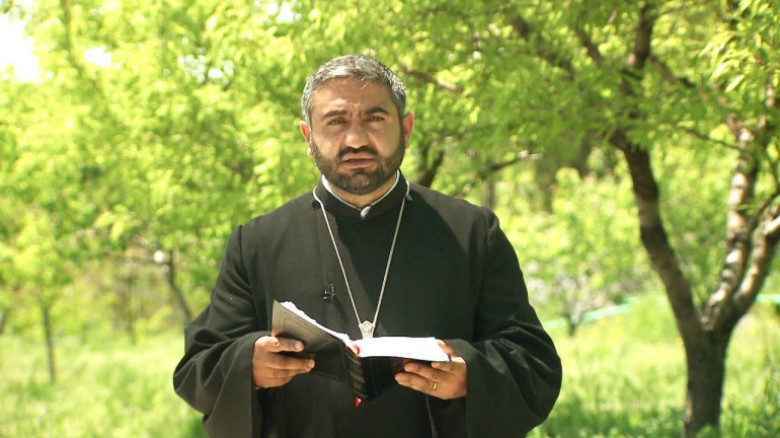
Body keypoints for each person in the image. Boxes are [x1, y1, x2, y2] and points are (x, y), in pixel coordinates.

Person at [173, 54, 562, 438]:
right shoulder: (257, 244)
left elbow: (534, 364)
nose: (356, 139)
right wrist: (249, 366)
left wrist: (469, 376)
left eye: (375, 119)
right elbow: (197, 369)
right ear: (308, 137)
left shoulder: (472, 233)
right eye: (336, 122)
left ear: (406, 129)